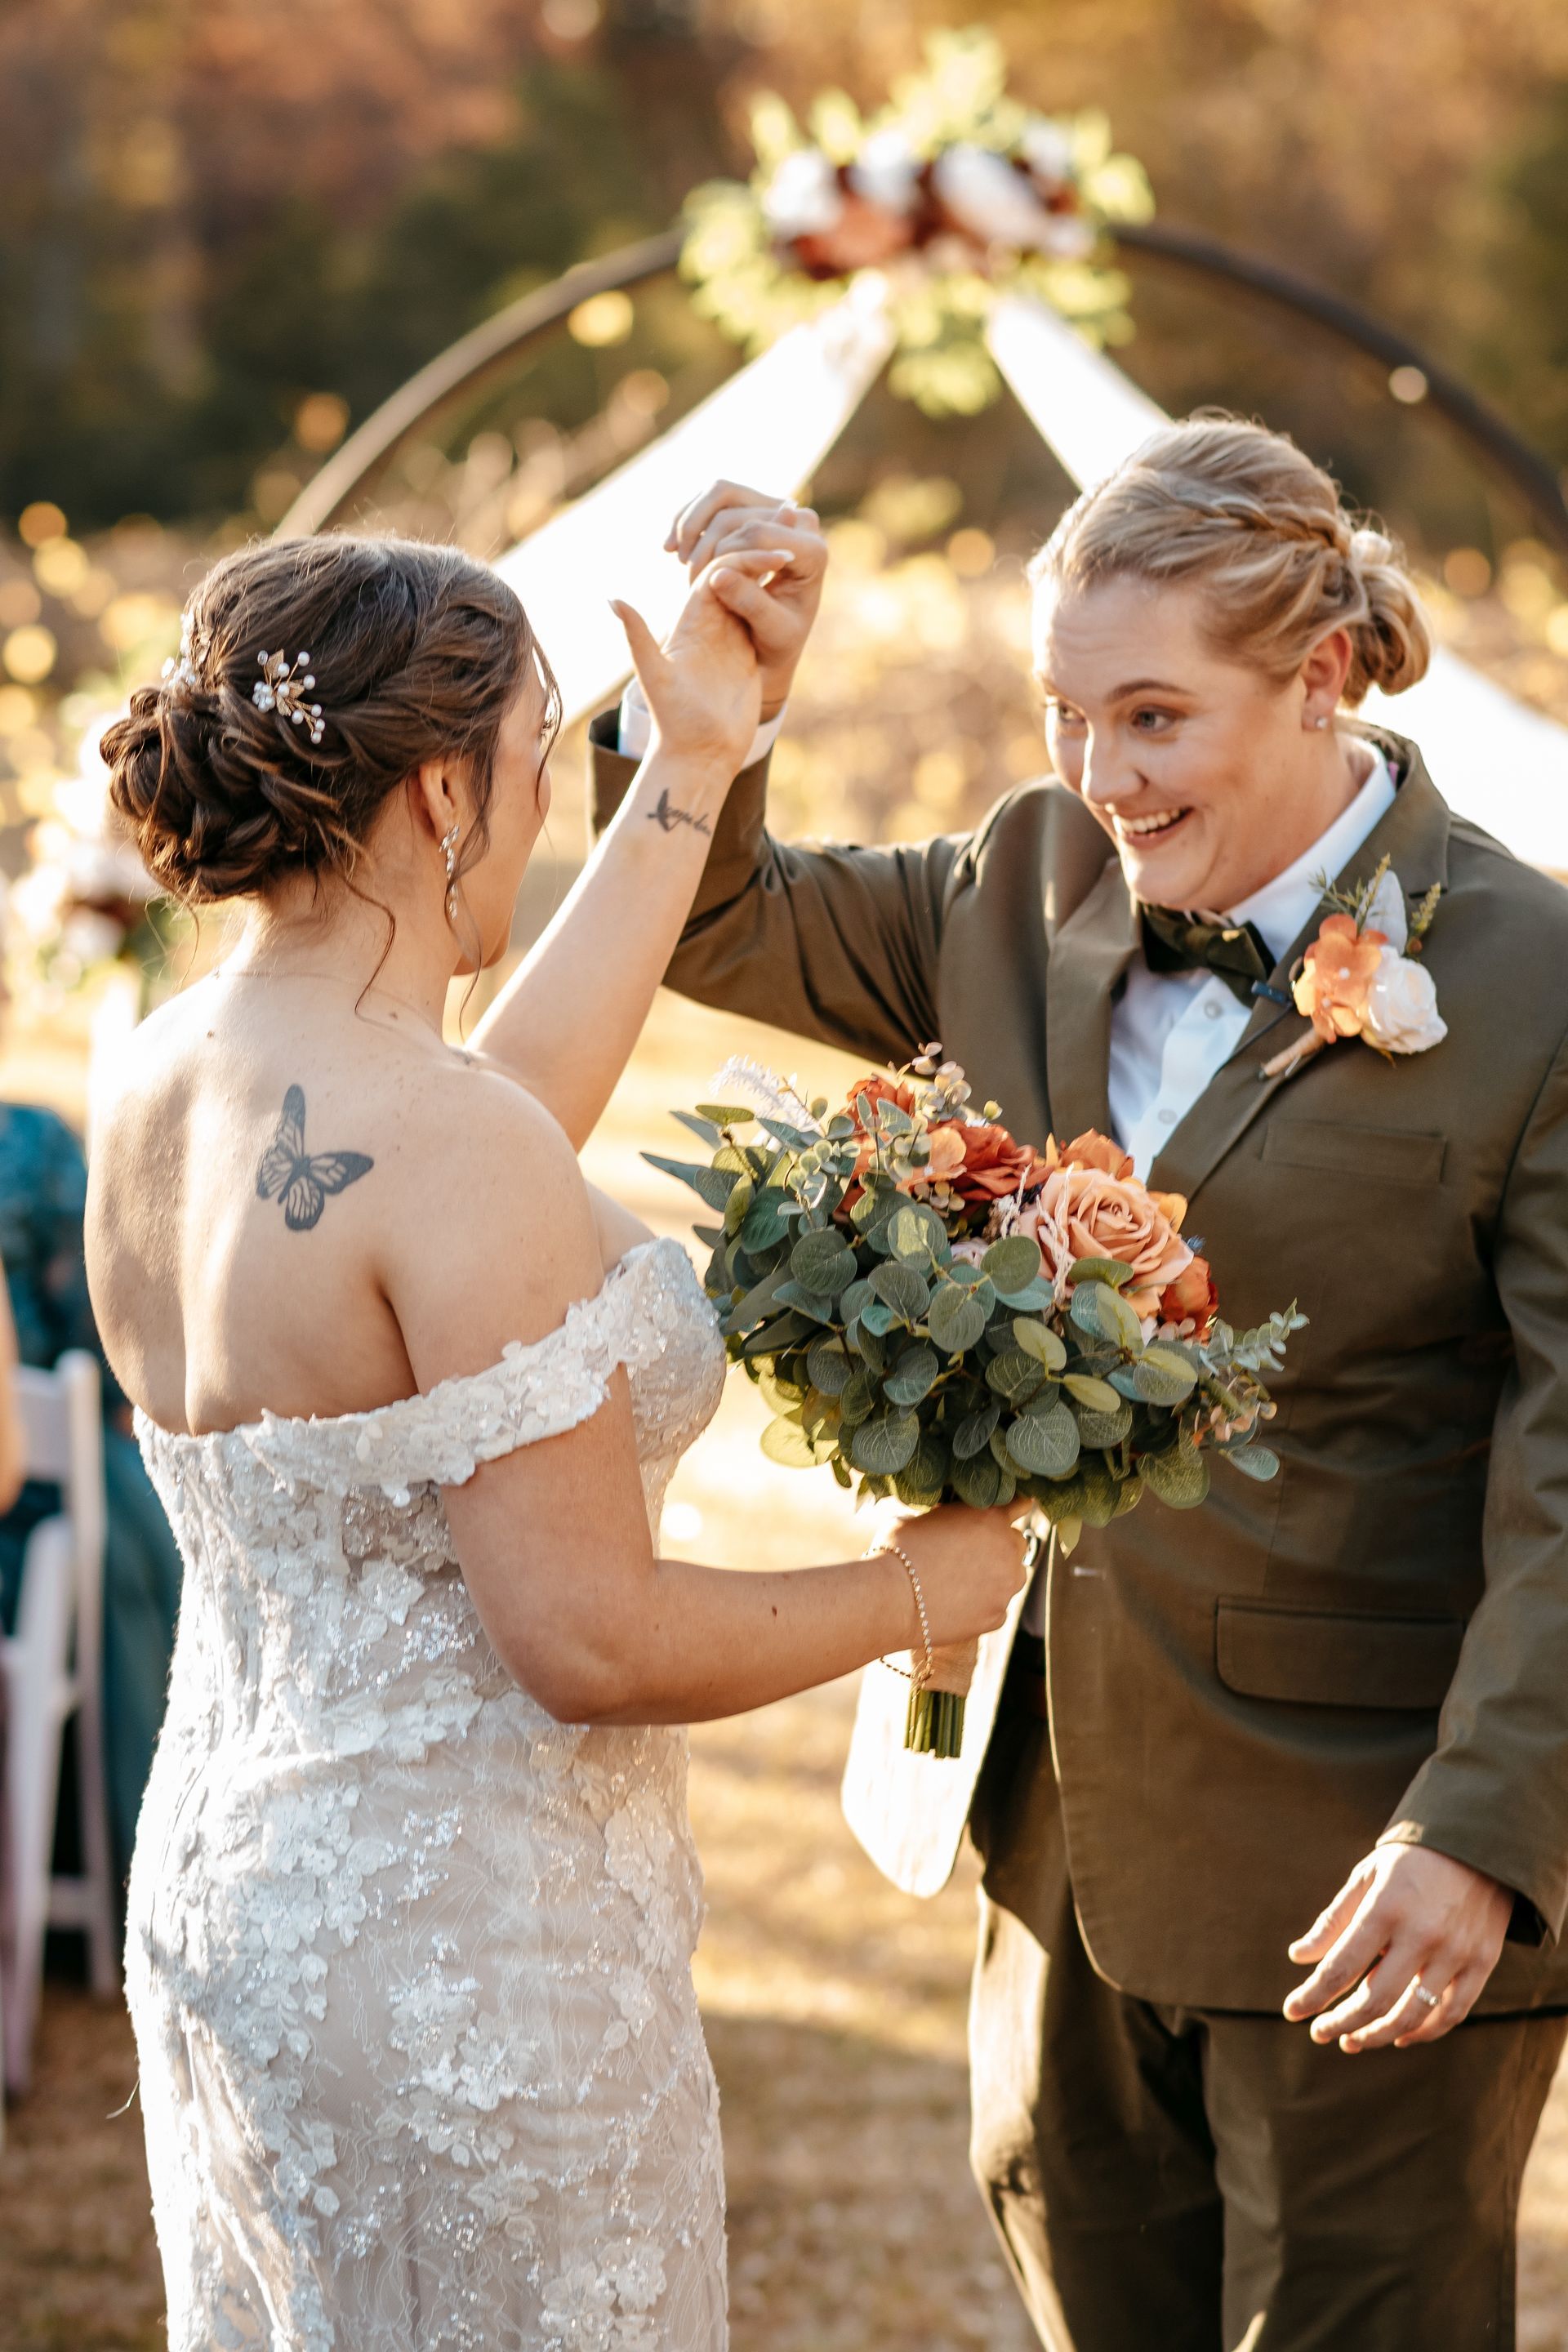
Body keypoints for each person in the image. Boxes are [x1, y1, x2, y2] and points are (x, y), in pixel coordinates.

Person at [579, 423, 1568, 2350]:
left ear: (1324, 672)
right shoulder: (1015, 882)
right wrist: (707, 727)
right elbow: (709, 915)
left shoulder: (1535, 975)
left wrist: (1482, 1827)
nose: (1098, 775)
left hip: (1376, 1855)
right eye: (1065, 711)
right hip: (1048, 1826)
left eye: (1152, 717)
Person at [84, 530, 1026, 2351]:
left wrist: (693, 769)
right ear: (443, 788)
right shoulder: (439, 1140)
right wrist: (920, 1584)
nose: (539, 796)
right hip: (471, 1963)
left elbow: (486, 1116)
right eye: (540, 755)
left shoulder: (163, 1065)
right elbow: (589, 1641)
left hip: (233, 1903)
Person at [0, 1004, 182, 1885]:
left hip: (39, 1472)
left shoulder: (32, 1145)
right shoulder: (29, 1146)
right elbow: (98, 1318)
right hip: (33, 1485)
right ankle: (144, 1849)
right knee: (137, 1526)